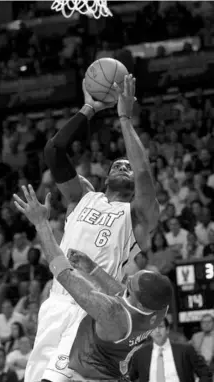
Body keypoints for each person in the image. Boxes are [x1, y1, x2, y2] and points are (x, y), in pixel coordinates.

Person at [13, 74, 159, 382]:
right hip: (56, 302)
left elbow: (145, 172)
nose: (124, 166)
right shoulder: (82, 196)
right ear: (104, 178)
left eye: (128, 166)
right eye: (117, 164)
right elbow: (54, 151)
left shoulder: (138, 216)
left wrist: (123, 118)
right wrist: (89, 108)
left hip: (93, 309)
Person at [13, 187, 171, 381]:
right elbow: (122, 292)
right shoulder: (157, 308)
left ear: (138, 302)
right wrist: (93, 268)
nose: (127, 279)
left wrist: (40, 223)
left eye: (131, 285)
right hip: (111, 369)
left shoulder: (112, 313)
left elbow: (63, 272)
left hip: (91, 373)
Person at [129, 317, 212, 382]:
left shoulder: (185, 350)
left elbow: (205, 374)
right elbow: (129, 378)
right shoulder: (140, 353)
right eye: (154, 328)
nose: (157, 331)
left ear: (167, 329)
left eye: (161, 326)